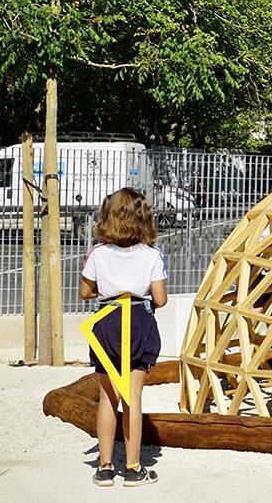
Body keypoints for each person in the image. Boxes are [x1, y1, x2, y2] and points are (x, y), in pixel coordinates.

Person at [78, 188, 167, 487]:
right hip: (139, 321)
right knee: (134, 397)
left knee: (108, 396)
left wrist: (107, 289)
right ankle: (133, 468)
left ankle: (104, 467)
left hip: (106, 322)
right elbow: (161, 298)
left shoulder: (98, 253)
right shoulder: (151, 255)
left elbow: (85, 292)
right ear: (143, 218)